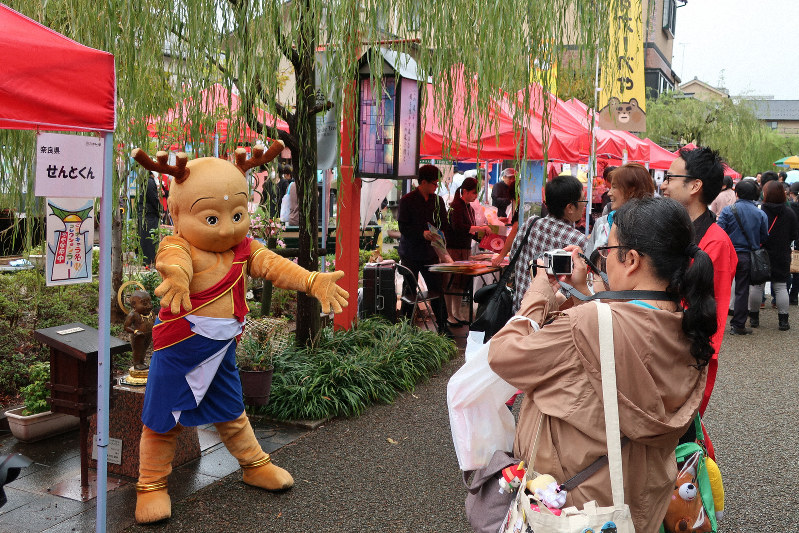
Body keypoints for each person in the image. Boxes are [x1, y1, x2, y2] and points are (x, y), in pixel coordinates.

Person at [488, 197, 715, 533]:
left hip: (579, 508)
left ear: (633, 259)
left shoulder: (587, 324)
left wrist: (537, 295)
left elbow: (504, 355)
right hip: (641, 503)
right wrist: (585, 289)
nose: (604, 260)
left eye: (608, 251)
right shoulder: (688, 327)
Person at [661, 145, 737, 413]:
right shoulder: (670, 229)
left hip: (685, 357)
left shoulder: (716, 242)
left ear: (694, 186)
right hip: (658, 346)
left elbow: (711, 316)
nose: (664, 185)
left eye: (670, 178)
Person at [508, 175, 587, 313]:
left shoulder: (530, 224)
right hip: (555, 317)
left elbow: (512, 258)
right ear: (570, 208)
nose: (585, 204)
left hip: (521, 308)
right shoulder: (578, 241)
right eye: (582, 200)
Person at [397, 164, 451, 336]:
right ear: (424, 182)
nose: (436, 187)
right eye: (434, 183)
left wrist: (440, 233)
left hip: (430, 253)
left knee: (437, 288)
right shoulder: (407, 200)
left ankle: (443, 325)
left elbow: (444, 223)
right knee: (410, 290)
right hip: (410, 253)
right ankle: (406, 328)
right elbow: (403, 228)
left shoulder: (438, 201)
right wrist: (423, 233)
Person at [717, 179, 768, 335]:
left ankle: (713, 323)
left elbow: (719, 233)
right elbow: (764, 237)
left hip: (728, 255)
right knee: (742, 290)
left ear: (737, 193)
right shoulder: (760, 213)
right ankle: (738, 325)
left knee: (719, 288)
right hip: (747, 256)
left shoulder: (727, 211)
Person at [747, 181, 799, 330]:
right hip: (781, 253)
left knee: (757, 286)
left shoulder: (759, 210)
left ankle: (754, 319)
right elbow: (794, 234)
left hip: (761, 254)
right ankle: (783, 321)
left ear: (766, 194)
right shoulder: (789, 213)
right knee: (781, 286)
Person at [444, 177, 490, 325]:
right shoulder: (455, 206)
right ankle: (449, 314)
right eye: (473, 193)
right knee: (451, 283)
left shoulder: (468, 207)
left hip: (464, 249)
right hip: (453, 249)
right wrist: (480, 229)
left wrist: (484, 240)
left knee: (460, 283)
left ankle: (457, 313)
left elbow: (469, 231)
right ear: (464, 191)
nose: (475, 196)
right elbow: (459, 227)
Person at [584, 163, 654, 260]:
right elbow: (589, 261)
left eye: (614, 187)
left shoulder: (653, 226)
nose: (609, 193)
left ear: (631, 191)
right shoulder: (602, 223)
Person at [138, 171, 162, 266]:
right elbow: (154, 199)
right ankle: (150, 261)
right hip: (149, 214)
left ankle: (146, 260)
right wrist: (160, 211)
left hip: (144, 213)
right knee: (149, 238)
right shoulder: (150, 182)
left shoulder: (144, 181)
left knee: (145, 237)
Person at [788, 182, 799, 305]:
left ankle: (786, 294)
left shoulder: (791, 207)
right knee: (798, 271)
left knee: (790, 268)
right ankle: (794, 295)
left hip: (793, 240)